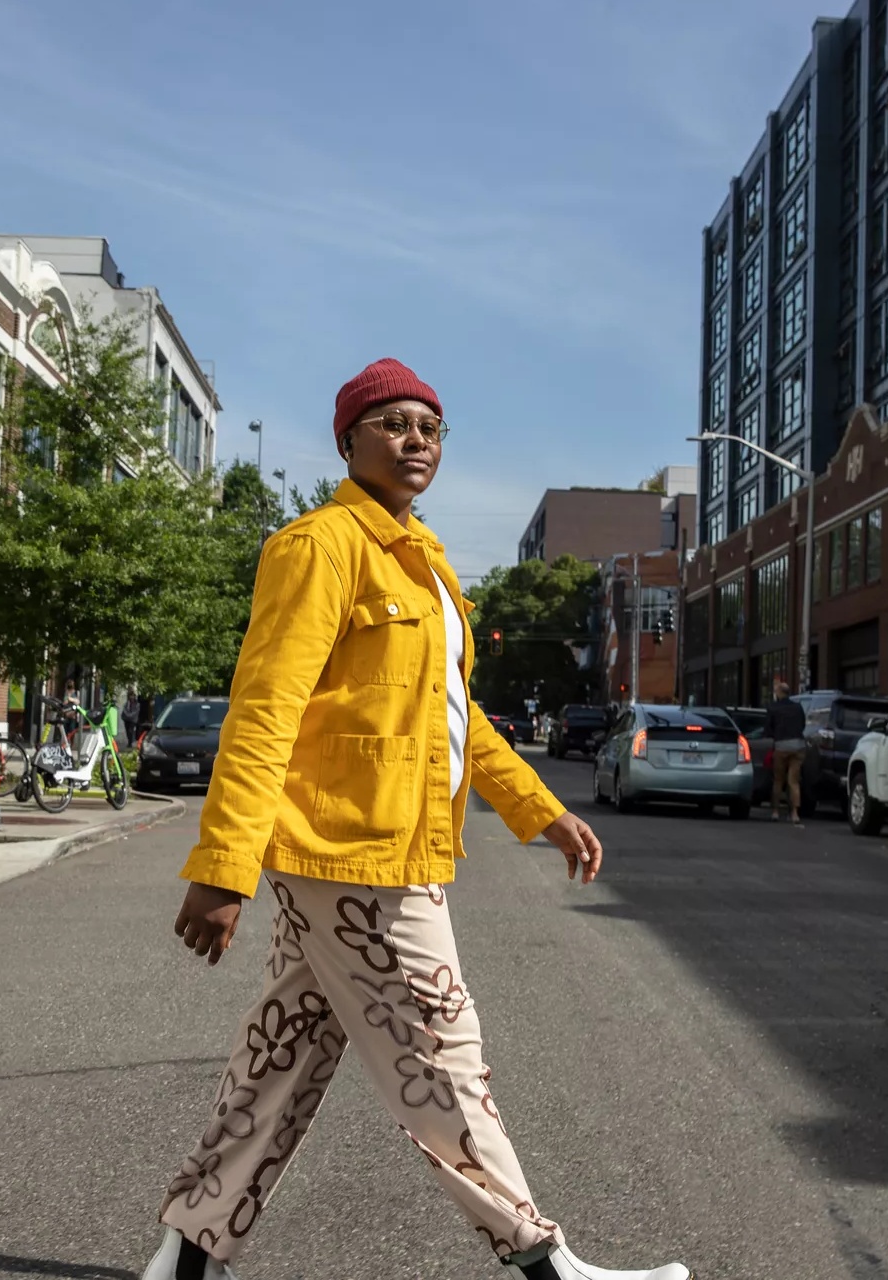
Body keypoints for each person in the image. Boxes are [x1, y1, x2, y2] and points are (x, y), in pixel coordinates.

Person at [142, 360, 691, 1280]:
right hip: (351, 853)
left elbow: (452, 716)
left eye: (431, 428)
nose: (416, 441)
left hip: (393, 848)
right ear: (348, 441)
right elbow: (266, 708)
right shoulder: (319, 547)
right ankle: (546, 1265)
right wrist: (223, 866)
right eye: (393, 424)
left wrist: (541, 810)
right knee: (443, 1053)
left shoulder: (425, 564)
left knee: (282, 1060)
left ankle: (185, 1257)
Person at [765, 680, 807, 824]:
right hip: (798, 746)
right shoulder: (797, 707)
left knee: (778, 780)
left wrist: (775, 737)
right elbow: (803, 724)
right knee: (794, 781)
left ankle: (776, 812)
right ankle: (795, 813)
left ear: (779, 693)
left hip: (781, 746)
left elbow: (768, 729)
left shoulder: (773, 708)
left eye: (776, 691)